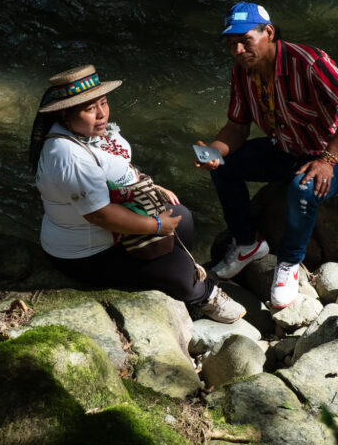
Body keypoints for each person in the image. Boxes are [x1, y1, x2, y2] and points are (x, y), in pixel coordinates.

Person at [29, 64, 245, 323]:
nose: (101, 115)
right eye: (89, 109)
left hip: (113, 232)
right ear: (65, 115)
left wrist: (152, 187)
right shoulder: (68, 156)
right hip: (86, 253)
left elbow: (115, 167)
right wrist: (154, 225)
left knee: (182, 219)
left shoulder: (84, 134)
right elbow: (101, 215)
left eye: (104, 103)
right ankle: (202, 296)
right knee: (176, 269)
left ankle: (179, 272)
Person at [195, 2, 338, 309]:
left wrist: (328, 160)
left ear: (269, 33)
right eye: (231, 43)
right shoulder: (243, 73)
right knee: (222, 167)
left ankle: (289, 263)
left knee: (302, 189)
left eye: (244, 40)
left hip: (334, 154)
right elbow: (237, 127)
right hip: (286, 149)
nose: (237, 50)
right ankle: (248, 244)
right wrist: (214, 151)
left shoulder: (310, 61)